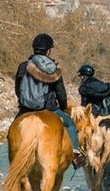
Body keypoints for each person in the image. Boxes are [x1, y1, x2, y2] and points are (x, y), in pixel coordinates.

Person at [15, 33, 82, 167]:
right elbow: (61, 92)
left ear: (34, 48)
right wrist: (62, 107)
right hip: (48, 108)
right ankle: (75, 157)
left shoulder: (23, 66)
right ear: (49, 50)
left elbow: (18, 89)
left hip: (26, 109)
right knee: (70, 124)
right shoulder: (53, 68)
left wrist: (24, 103)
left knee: (13, 129)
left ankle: (13, 158)